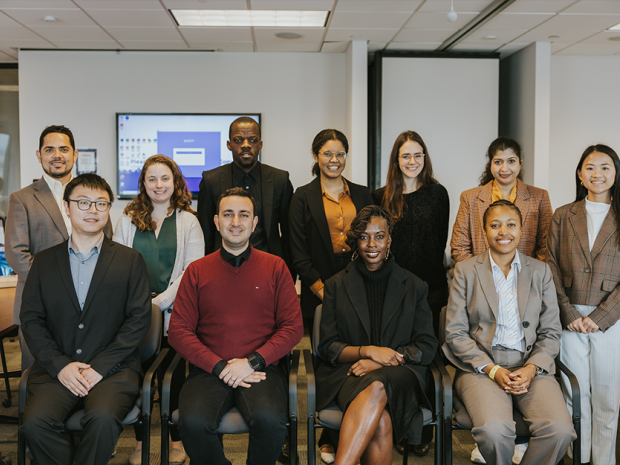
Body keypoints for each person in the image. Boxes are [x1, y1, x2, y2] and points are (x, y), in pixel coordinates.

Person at [19, 174, 151, 465]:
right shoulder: (43, 262)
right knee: (35, 423)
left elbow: (138, 319)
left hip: (113, 371)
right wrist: (60, 365)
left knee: (103, 420)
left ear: (108, 210)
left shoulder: (130, 261)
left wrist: (101, 367)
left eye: (101, 203)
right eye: (83, 202)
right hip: (59, 369)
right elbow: (31, 319)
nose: (92, 210)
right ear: (67, 207)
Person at [168, 187, 303, 465]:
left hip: (261, 371)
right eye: (228, 215)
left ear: (254, 223)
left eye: (244, 215)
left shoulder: (276, 267)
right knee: (191, 422)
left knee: (270, 421)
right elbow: (179, 331)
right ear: (217, 222)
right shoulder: (197, 271)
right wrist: (220, 366)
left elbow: (292, 327)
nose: (235, 222)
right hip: (209, 370)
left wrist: (252, 362)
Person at [444, 200, 576, 465]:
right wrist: (492, 370)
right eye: (495, 225)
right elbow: (455, 333)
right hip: (481, 369)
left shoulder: (540, 272)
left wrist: (530, 369)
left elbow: (551, 332)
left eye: (511, 224)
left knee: (560, 430)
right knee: (494, 432)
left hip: (531, 367)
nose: (503, 231)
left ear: (521, 229)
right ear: (484, 231)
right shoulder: (465, 271)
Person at [316, 205, 438, 465]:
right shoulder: (337, 285)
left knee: (379, 383)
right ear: (356, 241)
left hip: (402, 373)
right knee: (380, 420)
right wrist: (367, 351)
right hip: (350, 371)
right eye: (364, 237)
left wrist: (385, 360)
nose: (372, 244)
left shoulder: (414, 285)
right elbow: (328, 346)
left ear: (389, 239)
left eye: (379, 236)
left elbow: (427, 345)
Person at [113, 154, 204, 465]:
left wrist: (157, 303)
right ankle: (140, 442)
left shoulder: (188, 221)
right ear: (143, 184)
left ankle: (177, 440)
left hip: (174, 314)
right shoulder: (126, 219)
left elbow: (191, 273)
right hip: (131, 316)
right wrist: (138, 307)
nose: (159, 185)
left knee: (174, 378)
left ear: (175, 181)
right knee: (135, 377)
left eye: (165, 178)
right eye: (151, 179)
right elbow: (116, 267)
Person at [289, 128, 373, 463]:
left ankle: (346, 431)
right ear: (316, 156)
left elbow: (374, 242)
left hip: (362, 288)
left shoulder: (364, 194)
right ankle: (329, 429)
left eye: (340, 154)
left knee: (358, 361)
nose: (334, 160)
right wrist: (326, 294)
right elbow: (298, 253)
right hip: (319, 289)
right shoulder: (302, 196)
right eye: (327, 154)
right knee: (328, 360)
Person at [5, 125, 112, 370]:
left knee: (87, 374)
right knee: (39, 378)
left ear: (74, 154)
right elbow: (16, 253)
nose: (57, 155)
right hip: (40, 304)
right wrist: (60, 285)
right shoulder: (22, 199)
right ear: (39, 155)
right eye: (49, 149)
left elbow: (106, 243)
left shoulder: (93, 194)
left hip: (90, 303)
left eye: (64, 149)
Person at [546, 144, 620, 465]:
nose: (597, 174)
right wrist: (570, 313)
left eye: (605, 167)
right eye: (590, 167)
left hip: (611, 320)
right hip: (570, 318)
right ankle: (579, 460)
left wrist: (602, 317)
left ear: (615, 173)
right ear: (580, 173)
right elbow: (549, 265)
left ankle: (602, 461)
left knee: (606, 397)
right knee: (575, 396)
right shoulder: (564, 215)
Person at [373, 130, 449, 336]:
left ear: (425, 157)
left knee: (429, 352)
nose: (412, 161)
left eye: (418, 155)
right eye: (406, 156)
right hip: (392, 288)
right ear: (396, 160)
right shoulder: (380, 197)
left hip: (431, 288)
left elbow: (440, 242)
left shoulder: (438, 194)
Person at [197, 116, 294, 274]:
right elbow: (206, 233)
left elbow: (289, 235)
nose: (246, 145)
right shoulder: (211, 180)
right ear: (229, 145)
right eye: (238, 140)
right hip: (222, 269)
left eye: (253, 140)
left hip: (269, 269)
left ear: (260, 145)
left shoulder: (279, 180)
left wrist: (288, 273)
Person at [451, 137, 552, 264]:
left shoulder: (539, 197)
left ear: (520, 163)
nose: (504, 168)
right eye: (498, 162)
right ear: (490, 164)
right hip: (480, 280)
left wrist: (529, 276)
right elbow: (459, 248)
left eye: (511, 161)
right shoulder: (469, 198)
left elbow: (547, 247)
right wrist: (479, 275)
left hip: (526, 279)